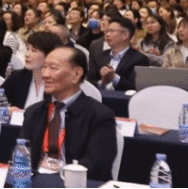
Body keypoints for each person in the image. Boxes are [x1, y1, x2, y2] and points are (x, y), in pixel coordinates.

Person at [21, 47, 118, 181]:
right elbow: (22, 156)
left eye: (53, 68)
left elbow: (97, 166)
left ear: (76, 74)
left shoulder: (100, 115)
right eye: (44, 68)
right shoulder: (33, 112)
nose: (45, 74)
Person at [0, 31, 63, 110]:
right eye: (27, 49)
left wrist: (27, 114)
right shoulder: (18, 76)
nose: (27, 54)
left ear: (49, 55)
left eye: (34, 50)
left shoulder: (58, 83)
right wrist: (7, 109)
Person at [87, 18, 149, 91]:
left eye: (112, 31)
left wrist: (114, 77)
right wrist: (102, 83)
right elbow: (89, 82)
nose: (107, 35)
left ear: (125, 35)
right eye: (107, 31)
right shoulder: (100, 56)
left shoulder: (139, 59)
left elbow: (137, 88)